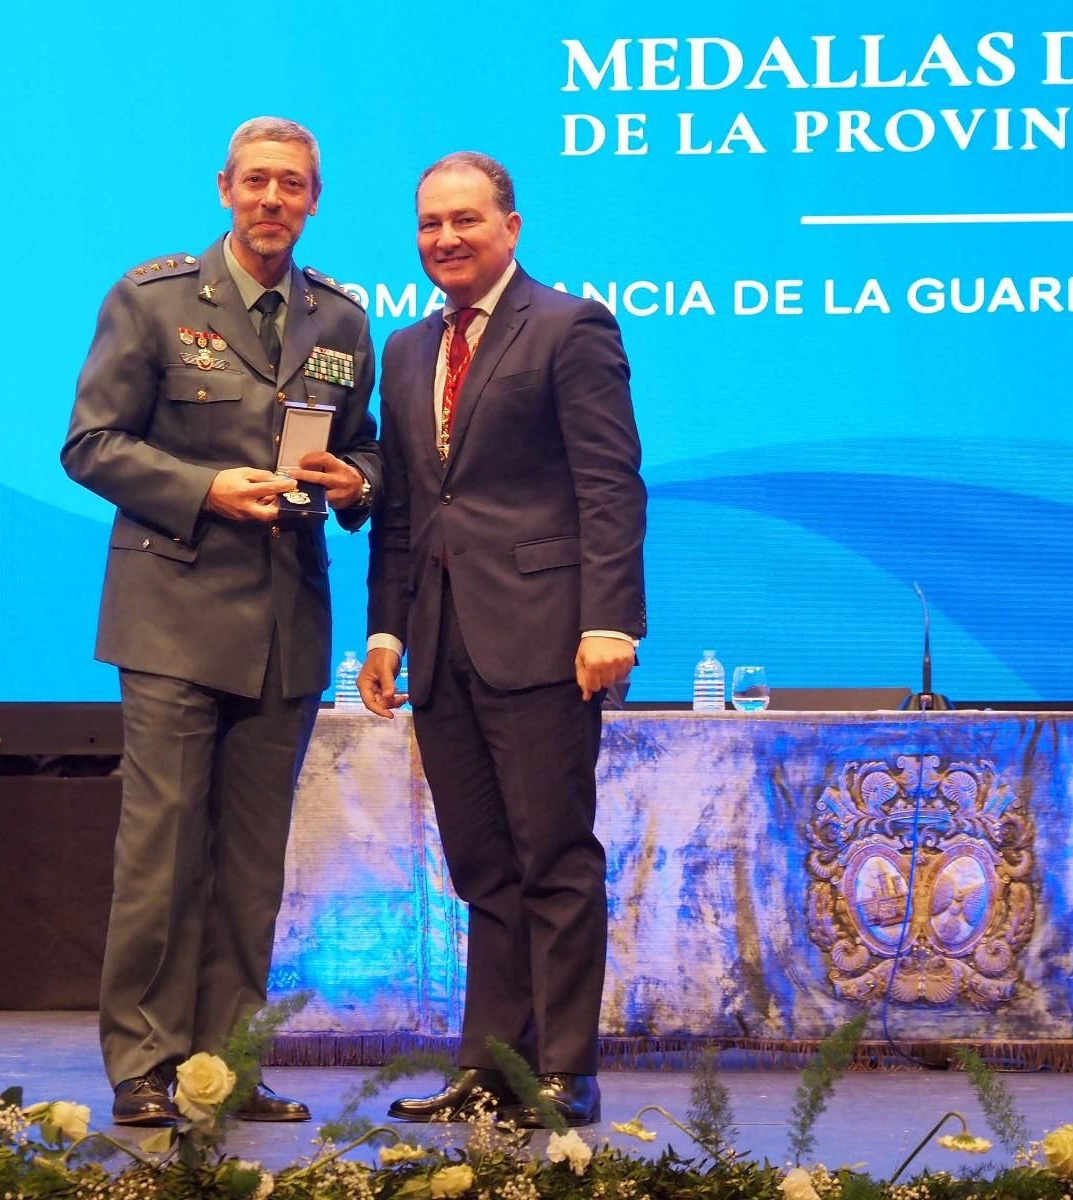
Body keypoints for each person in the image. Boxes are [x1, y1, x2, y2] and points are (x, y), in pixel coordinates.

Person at [63, 116, 379, 1126]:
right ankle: (144, 1067)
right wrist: (206, 489)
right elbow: (91, 444)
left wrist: (356, 481)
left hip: (286, 626)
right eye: (256, 181)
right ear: (225, 189)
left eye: (292, 184)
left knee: (251, 869)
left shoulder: (342, 320)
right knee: (160, 856)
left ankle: (226, 1065)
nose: (272, 199)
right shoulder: (151, 299)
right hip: (172, 617)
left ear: (314, 199)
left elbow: (367, 452)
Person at [358, 152, 646, 1128]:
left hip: (546, 638)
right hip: (440, 644)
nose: (445, 238)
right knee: (482, 867)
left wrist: (609, 619)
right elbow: (405, 508)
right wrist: (386, 631)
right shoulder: (406, 350)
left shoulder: (570, 327)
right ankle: (491, 1069)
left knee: (553, 857)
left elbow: (609, 486)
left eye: (465, 220)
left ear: (510, 227)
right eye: (429, 223)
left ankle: (566, 1072)